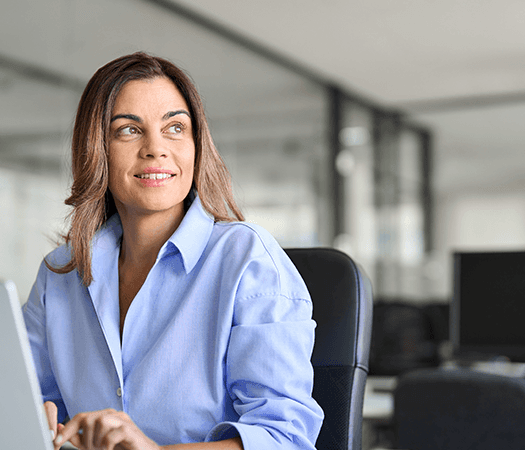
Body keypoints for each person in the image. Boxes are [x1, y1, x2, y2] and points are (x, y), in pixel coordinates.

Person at [22, 52, 323, 450]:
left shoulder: (247, 260)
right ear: (97, 149)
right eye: (129, 130)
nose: (155, 149)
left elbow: (285, 439)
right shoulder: (60, 273)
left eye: (175, 128)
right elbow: (34, 406)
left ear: (197, 145)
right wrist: (37, 425)